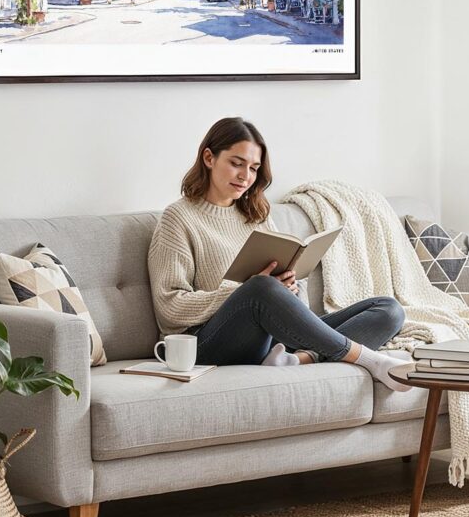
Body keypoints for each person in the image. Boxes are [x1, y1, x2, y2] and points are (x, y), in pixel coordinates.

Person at [147, 117, 412, 390]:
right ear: (209, 158)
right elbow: (171, 307)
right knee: (260, 286)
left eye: (253, 168)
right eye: (236, 163)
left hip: (268, 337)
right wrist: (243, 290)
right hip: (205, 346)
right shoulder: (178, 218)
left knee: (389, 309)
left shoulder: (255, 215)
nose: (245, 176)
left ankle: (301, 359)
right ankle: (371, 360)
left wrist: (290, 289)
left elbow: (284, 295)